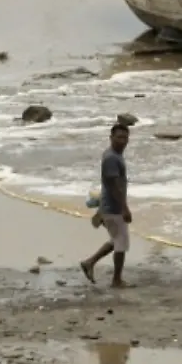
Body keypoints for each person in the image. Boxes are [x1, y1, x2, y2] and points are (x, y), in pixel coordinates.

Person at [80, 123, 132, 287]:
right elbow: (114, 186)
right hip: (113, 207)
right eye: (119, 137)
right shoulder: (111, 158)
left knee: (116, 239)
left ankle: (89, 262)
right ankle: (116, 280)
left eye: (125, 137)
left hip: (109, 206)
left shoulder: (114, 155)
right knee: (121, 242)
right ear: (111, 138)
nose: (122, 141)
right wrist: (124, 208)